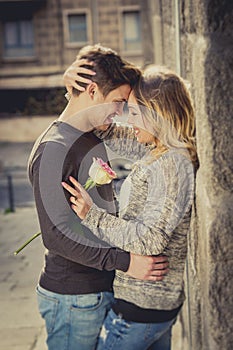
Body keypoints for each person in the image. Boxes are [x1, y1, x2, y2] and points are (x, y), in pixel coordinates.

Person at [29, 45, 169, 350]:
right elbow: (56, 236)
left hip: (97, 290)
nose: (120, 112)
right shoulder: (53, 149)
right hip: (73, 299)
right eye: (117, 102)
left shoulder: (90, 134)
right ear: (91, 90)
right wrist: (126, 262)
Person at [62, 64, 197, 350]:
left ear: (158, 114)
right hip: (152, 307)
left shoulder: (172, 165)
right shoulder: (161, 150)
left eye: (135, 112)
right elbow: (114, 133)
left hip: (140, 311)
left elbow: (151, 239)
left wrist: (92, 216)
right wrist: (77, 92)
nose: (129, 120)